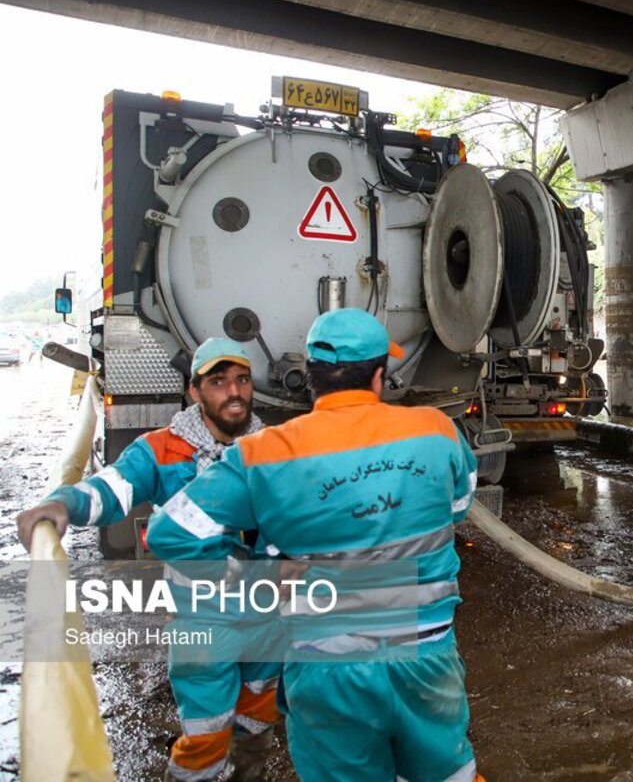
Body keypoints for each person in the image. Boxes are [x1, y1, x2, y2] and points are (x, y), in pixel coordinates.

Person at [147, 308, 481, 782]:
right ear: (380, 375)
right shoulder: (436, 430)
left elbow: (171, 534)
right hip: (426, 659)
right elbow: (457, 505)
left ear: (309, 378)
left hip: (327, 663)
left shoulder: (264, 452)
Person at [16, 338, 279, 782]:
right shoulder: (162, 449)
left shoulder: (273, 447)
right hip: (204, 623)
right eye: (218, 382)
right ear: (194, 392)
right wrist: (62, 505)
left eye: (241, 380)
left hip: (265, 618)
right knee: (206, 733)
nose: (234, 392)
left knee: (257, 720)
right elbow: (110, 489)